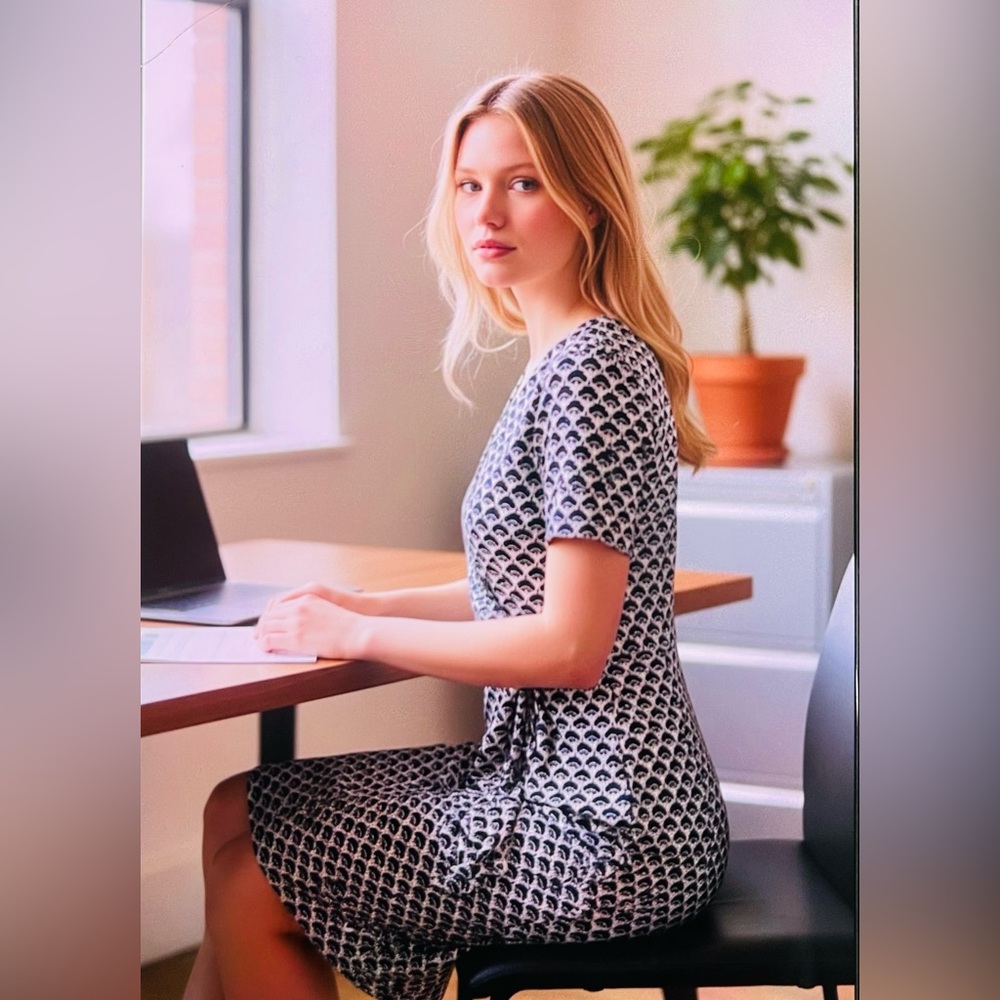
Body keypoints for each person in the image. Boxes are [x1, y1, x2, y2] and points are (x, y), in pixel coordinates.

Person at [183, 71, 728, 1000]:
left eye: (525, 182)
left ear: (589, 200)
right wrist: (368, 603)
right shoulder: (561, 357)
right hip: (554, 783)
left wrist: (357, 637)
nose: (489, 211)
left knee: (251, 874)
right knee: (234, 805)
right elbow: (523, 587)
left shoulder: (593, 368)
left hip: (605, 827)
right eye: (470, 184)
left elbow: (568, 644)